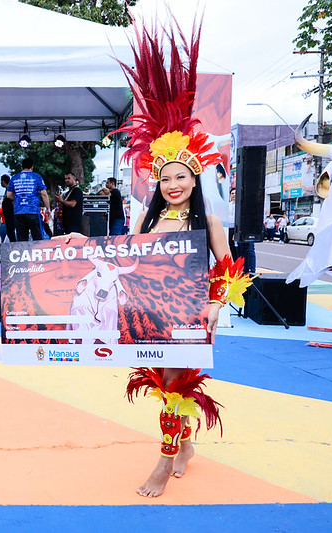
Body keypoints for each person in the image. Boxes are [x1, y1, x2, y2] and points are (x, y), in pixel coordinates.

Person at [107, 18, 250, 498]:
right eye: (165, 178)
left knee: (173, 383)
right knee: (168, 384)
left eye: (180, 178)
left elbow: (229, 269)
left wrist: (216, 304)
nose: (172, 185)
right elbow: (122, 258)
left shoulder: (207, 223)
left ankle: (163, 465)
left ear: (194, 180)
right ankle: (184, 446)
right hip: (151, 317)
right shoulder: (143, 224)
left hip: (191, 316)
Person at [6, 158, 50, 241]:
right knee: (37, 239)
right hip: (33, 211)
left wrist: (17, 198)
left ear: (21, 167)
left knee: (22, 240)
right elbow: (43, 194)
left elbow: (8, 195)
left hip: (19, 212)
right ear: (32, 167)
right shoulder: (37, 177)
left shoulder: (14, 178)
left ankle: (24, 253)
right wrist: (48, 208)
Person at [0, 173, 15, 242]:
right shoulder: (7, 190)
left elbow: (13, 201)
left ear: (3, 181)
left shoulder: (10, 189)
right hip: (8, 217)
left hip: (11, 217)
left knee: (11, 234)